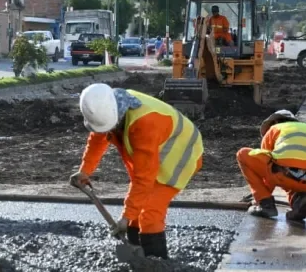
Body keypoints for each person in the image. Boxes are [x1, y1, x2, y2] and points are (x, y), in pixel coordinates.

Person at [69, 84, 204, 259]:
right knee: (135, 211)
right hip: (156, 151)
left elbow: (144, 179)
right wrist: (85, 171)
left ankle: (157, 266)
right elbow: (98, 139)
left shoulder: (144, 124)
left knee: (150, 211)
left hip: (180, 155)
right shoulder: (111, 106)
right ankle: (137, 256)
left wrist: (125, 217)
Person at [237, 109, 306, 221]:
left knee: (242, 154)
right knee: (292, 170)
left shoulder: (274, 129)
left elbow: (268, 170)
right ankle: (299, 199)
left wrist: (262, 199)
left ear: (275, 122)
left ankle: (266, 205)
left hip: (284, 175)